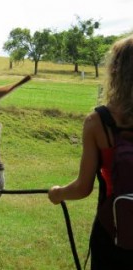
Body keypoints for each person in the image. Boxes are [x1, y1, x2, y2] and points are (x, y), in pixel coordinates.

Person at [48, 35, 133, 269]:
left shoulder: (98, 122)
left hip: (112, 231)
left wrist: (58, 193)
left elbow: (83, 188)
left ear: (116, 71)